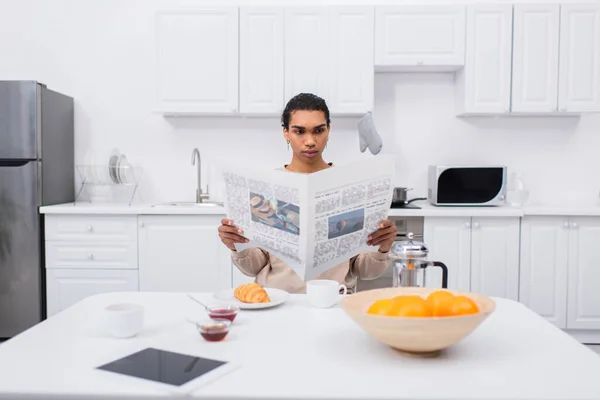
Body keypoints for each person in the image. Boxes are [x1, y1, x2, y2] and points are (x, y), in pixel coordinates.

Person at [218, 93, 397, 294]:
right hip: (276, 300)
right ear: (286, 132)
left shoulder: (351, 188)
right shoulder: (266, 188)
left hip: (334, 302)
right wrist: (236, 246)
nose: (310, 141)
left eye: (318, 131)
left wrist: (382, 249)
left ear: (328, 130)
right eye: (299, 131)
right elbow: (255, 267)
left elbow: (364, 270)